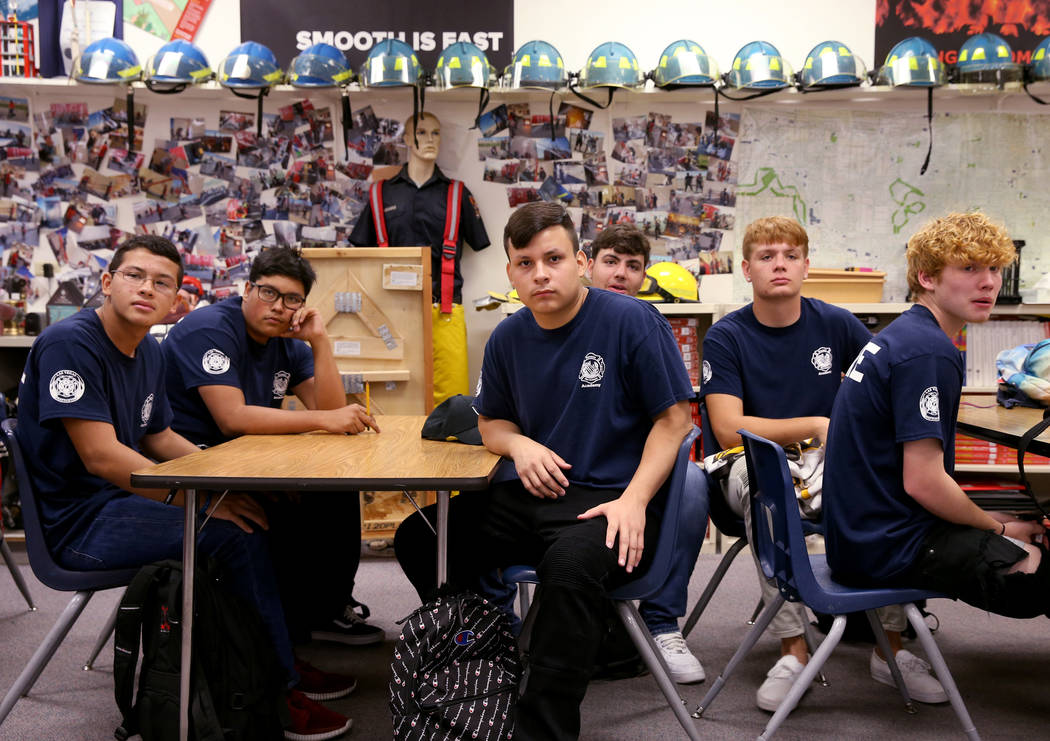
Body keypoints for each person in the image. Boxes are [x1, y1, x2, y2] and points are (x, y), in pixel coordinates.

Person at [16, 235, 352, 740]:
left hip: (117, 502)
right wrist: (198, 500)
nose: (146, 289)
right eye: (134, 276)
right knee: (236, 532)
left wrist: (220, 485)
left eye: (162, 282)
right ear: (107, 283)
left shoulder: (148, 350)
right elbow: (101, 456)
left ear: (176, 298)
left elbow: (161, 436)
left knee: (255, 509)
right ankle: (278, 693)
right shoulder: (71, 341)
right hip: (78, 524)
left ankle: (274, 657)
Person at [397, 203, 694, 740]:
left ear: (580, 261)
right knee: (421, 537)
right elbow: (491, 425)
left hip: (609, 502)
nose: (541, 274)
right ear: (510, 273)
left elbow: (674, 422)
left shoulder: (631, 320)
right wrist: (521, 446)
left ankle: (544, 728)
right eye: (525, 263)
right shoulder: (509, 337)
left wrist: (634, 501)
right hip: (534, 493)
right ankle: (486, 650)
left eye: (554, 258)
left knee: (570, 567)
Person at [701, 216, 945, 712]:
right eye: (767, 257)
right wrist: (817, 422)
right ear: (746, 269)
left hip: (827, 458)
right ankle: (794, 651)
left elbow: (884, 388)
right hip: (745, 461)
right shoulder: (726, 336)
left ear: (807, 266)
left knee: (894, 485)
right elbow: (729, 429)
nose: (780, 265)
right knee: (767, 487)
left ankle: (890, 646)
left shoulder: (835, 323)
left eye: (790, 255)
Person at [824, 212, 1050, 619]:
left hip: (858, 537)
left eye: (995, 268)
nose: (989, 282)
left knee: (1013, 522)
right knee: (1036, 568)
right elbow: (924, 482)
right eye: (969, 268)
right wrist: (997, 529)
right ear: (927, 278)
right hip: (887, 547)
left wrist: (987, 521)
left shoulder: (905, 334)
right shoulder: (929, 353)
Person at [162, 246, 384, 650]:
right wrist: (322, 420)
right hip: (194, 462)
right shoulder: (209, 328)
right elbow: (232, 417)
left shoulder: (288, 341)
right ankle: (288, 625)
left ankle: (325, 608)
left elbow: (334, 412)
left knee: (336, 488)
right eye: (268, 293)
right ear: (247, 289)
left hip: (248, 461)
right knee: (293, 508)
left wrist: (319, 342)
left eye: (292, 299)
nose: (279, 307)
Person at [586, 223, 706, 684]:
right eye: (611, 262)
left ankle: (661, 621)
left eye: (632, 266)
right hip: (578, 464)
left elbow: (675, 419)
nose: (620, 274)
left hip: (640, 464)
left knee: (694, 485)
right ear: (588, 264)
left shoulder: (650, 326)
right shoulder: (559, 315)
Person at [348, 112, 490, 406]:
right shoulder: (379, 194)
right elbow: (358, 256)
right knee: (392, 402)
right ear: (406, 139)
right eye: (422, 132)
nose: (430, 139)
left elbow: (480, 243)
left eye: (436, 133)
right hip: (390, 312)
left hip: (446, 311)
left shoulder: (457, 194)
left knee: (454, 407)